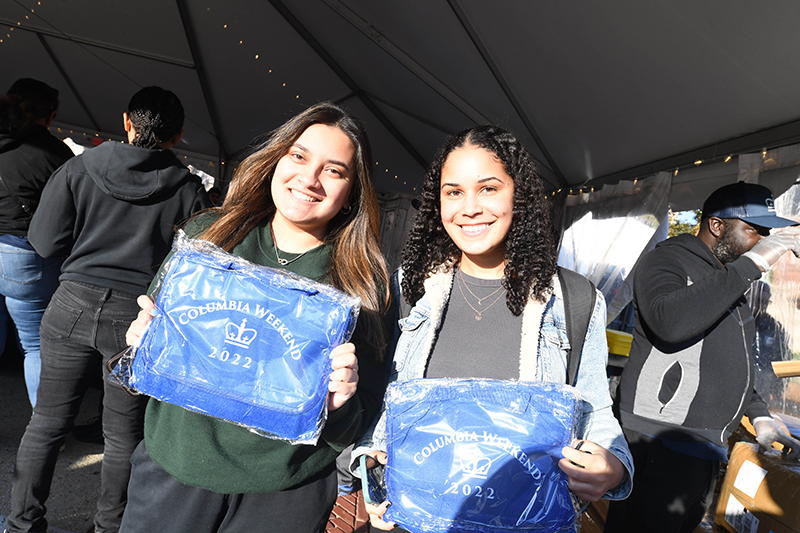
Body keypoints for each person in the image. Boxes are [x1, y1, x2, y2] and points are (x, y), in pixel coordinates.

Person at [118, 102, 391, 533]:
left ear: (352, 192)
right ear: (276, 158)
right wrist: (142, 341)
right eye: (299, 156)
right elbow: (148, 355)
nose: (309, 178)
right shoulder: (209, 236)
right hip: (175, 469)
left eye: (334, 170)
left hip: (285, 495)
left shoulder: (361, 285)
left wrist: (340, 406)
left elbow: (360, 416)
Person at [353, 125, 633, 531]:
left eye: (488, 188)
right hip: (416, 521)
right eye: (454, 192)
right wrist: (372, 471)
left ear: (518, 195)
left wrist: (614, 465)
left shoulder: (575, 299)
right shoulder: (410, 288)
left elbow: (596, 410)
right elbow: (379, 397)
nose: (469, 207)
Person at [6, 86, 212, 533]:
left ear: (126, 122)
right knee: (122, 438)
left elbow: (43, 242)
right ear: (176, 137)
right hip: (137, 320)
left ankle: (21, 524)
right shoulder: (190, 190)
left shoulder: (78, 167)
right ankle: (108, 528)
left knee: (46, 424)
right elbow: (193, 270)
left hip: (70, 305)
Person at [605, 181, 800, 533]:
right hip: (660, 442)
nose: (764, 242)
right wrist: (753, 263)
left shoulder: (727, 279)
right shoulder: (666, 259)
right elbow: (670, 323)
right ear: (717, 225)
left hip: (703, 447)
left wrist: (759, 417)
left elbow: (727, 359)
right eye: (755, 231)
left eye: (768, 234)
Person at [0, 78, 74, 407]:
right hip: (23, 256)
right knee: (34, 346)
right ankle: (43, 430)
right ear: (51, 114)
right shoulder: (54, 153)